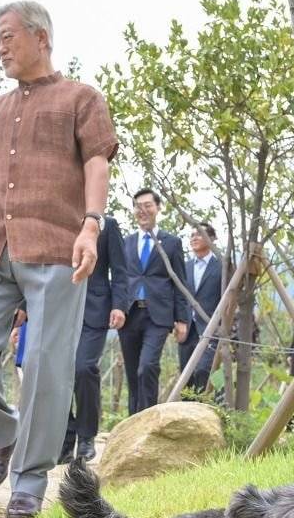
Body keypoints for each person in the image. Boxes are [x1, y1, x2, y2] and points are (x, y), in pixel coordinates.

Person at [0, 0, 116, 518]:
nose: (0, 47)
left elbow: (97, 162)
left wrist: (91, 224)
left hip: (57, 248)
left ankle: (30, 478)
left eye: (7, 37)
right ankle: (3, 434)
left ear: (41, 38)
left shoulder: (81, 99)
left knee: (45, 362)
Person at [58, 215, 129, 464]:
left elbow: (120, 270)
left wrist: (119, 305)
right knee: (58, 372)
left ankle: (86, 437)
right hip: (57, 307)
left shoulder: (107, 225)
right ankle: (65, 441)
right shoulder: (57, 215)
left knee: (84, 368)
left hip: (95, 308)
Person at [120, 189, 190, 414]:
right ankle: (132, 422)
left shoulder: (171, 243)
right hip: (129, 314)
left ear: (158, 208)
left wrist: (182, 319)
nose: (143, 210)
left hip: (158, 315)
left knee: (147, 367)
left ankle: (148, 418)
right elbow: (120, 279)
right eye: (138, 206)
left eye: (147, 205)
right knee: (132, 374)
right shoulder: (126, 242)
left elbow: (179, 282)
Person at [177, 223, 222, 393]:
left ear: (211, 239)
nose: (194, 238)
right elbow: (179, 296)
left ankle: (203, 413)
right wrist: (178, 321)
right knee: (186, 377)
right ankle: (187, 416)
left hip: (211, 329)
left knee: (204, 371)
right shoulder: (184, 267)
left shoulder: (221, 266)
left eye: (199, 234)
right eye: (192, 235)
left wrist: (221, 326)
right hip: (187, 329)